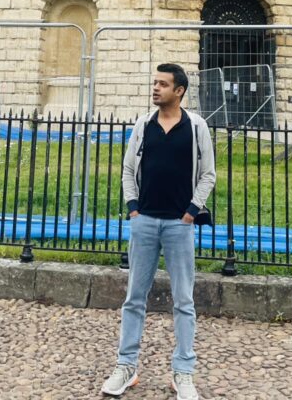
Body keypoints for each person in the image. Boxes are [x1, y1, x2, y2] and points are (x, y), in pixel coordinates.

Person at [102, 63, 216, 400]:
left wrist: (191, 211)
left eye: (163, 84)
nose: (155, 88)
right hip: (145, 222)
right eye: (155, 83)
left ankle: (183, 372)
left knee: (184, 301)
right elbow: (128, 169)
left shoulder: (196, 126)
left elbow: (208, 174)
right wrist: (133, 209)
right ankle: (126, 366)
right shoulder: (143, 124)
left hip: (180, 225)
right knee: (134, 298)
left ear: (179, 91)